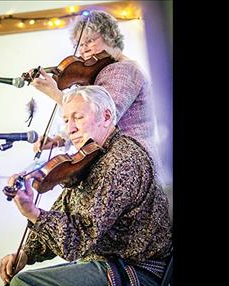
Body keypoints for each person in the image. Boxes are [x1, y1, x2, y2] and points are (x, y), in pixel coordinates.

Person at [0, 85, 172, 286]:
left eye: (78, 117)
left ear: (106, 116)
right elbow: (66, 213)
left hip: (140, 272)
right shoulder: (92, 159)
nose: (70, 129)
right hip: (106, 264)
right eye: (66, 120)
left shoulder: (120, 161)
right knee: (26, 283)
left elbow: (76, 241)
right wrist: (27, 254)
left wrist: (33, 213)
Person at [30, 10, 163, 182]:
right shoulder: (105, 71)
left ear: (110, 36)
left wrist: (55, 94)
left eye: (89, 41)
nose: (83, 49)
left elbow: (100, 117)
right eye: (79, 44)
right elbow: (87, 121)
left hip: (134, 166)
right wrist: (59, 139)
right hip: (122, 162)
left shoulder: (123, 70)